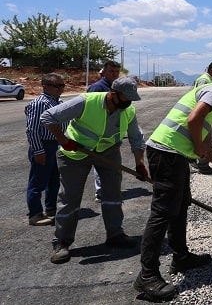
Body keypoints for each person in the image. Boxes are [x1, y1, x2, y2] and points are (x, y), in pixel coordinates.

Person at [134, 68, 212, 301]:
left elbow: (202, 136)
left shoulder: (210, 93)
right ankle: (147, 276)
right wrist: (197, 146)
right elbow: (193, 120)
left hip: (174, 156)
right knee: (162, 213)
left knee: (181, 204)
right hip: (167, 153)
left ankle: (181, 257)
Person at [42, 76, 149, 264]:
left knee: (113, 195)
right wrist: (63, 140)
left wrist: (140, 163)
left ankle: (115, 235)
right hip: (75, 153)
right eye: (126, 97)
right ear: (113, 94)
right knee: (70, 198)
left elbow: (136, 139)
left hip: (108, 152)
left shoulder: (128, 110)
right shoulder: (86, 101)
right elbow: (48, 117)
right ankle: (61, 242)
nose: (129, 102)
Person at [24, 73, 67, 226]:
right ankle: (35, 214)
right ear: (46, 86)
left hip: (56, 145)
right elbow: (32, 130)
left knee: (54, 180)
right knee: (38, 182)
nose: (61, 89)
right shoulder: (39, 103)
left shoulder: (58, 101)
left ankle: (51, 209)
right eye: (58, 86)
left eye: (62, 85)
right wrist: (38, 151)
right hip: (44, 145)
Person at [87, 60, 121, 202]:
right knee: (99, 163)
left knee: (108, 164)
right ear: (104, 72)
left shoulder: (116, 87)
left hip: (110, 133)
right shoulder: (97, 88)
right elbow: (89, 109)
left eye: (116, 71)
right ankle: (100, 192)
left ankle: (106, 190)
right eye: (111, 71)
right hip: (96, 132)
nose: (114, 74)